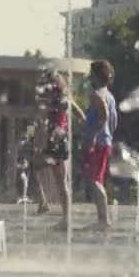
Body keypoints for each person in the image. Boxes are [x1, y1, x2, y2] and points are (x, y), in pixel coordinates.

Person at [33, 69, 85, 229]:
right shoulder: (63, 99)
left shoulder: (56, 100)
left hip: (55, 141)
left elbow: (47, 121)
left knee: (58, 180)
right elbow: (81, 117)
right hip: (59, 140)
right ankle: (47, 205)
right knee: (41, 169)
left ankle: (63, 216)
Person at [81, 60, 118, 230]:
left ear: (96, 76)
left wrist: (95, 135)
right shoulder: (109, 95)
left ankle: (104, 220)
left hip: (98, 143)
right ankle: (101, 219)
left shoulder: (98, 95)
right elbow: (113, 121)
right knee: (97, 179)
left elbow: (103, 115)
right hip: (105, 142)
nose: (89, 77)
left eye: (91, 74)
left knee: (94, 180)